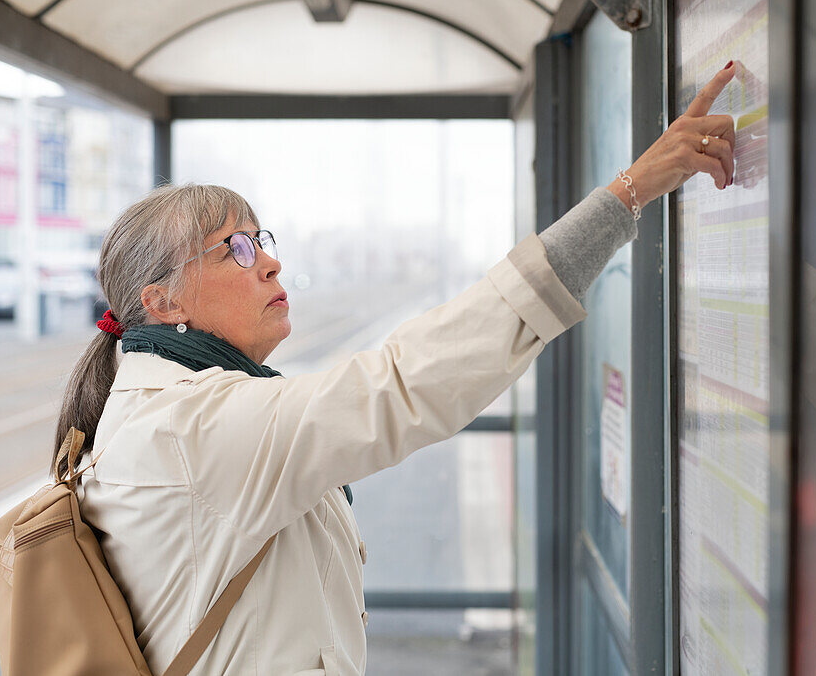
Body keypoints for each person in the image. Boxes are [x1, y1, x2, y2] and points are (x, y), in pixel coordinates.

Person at [60, 63, 738, 675]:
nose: (267, 259)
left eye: (261, 239)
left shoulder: (171, 407)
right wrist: (630, 191)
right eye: (234, 248)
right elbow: (407, 378)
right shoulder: (189, 430)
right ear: (162, 299)